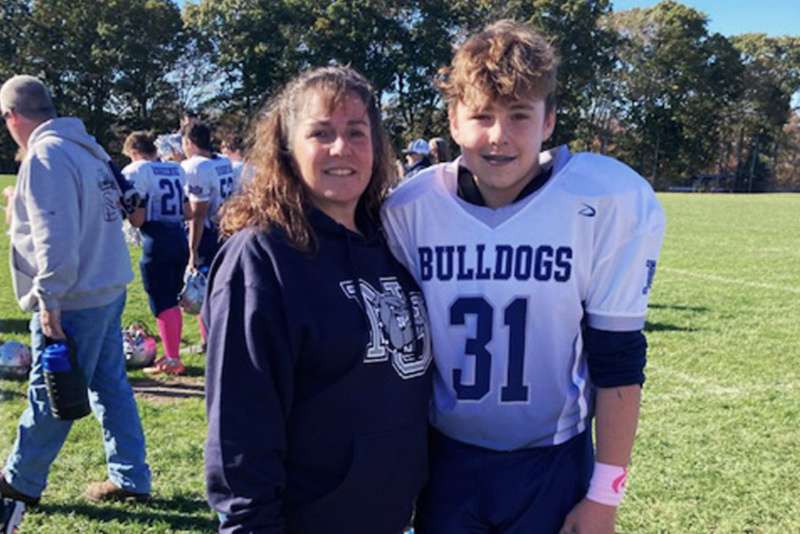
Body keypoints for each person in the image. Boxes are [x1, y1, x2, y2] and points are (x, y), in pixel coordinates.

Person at [382, 20, 666, 534]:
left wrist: (605, 496)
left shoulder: (602, 200)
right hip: (446, 457)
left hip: (553, 460)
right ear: (452, 120)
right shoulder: (411, 209)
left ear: (549, 120)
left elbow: (618, 360)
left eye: (519, 115)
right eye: (482, 116)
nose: (499, 136)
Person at [203, 65, 433, 533]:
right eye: (320, 133)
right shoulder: (261, 257)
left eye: (356, 132)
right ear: (287, 149)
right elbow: (239, 428)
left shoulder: (392, 244)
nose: (340, 148)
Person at [0, 75, 151, 505]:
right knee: (110, 385)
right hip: (106, 286)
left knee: (51, 389)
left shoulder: (46, 156)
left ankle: (21, 481)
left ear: (11, 117)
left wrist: (49, 300)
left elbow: (54, 235)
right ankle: (131, 477)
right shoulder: (87, 149)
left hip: (74, 297)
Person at [122, 131, 191, 375]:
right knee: (172, 299)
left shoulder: (137, 170)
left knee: (161, 300)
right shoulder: (175, 169)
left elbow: (138, 219)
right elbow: (188, 212)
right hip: (179, 237)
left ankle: (172, 359)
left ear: (134, 153)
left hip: (157, 239)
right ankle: (172, 354)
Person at [181, 122, 235, 347]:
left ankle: (212, 339)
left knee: (203, 289)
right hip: (226, 229)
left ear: (189, 143)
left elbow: (198, 213)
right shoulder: (222, 161)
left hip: (207, 234)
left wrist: (192, 250)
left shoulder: (195, 167)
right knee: (221, 287)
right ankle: (213, 337)